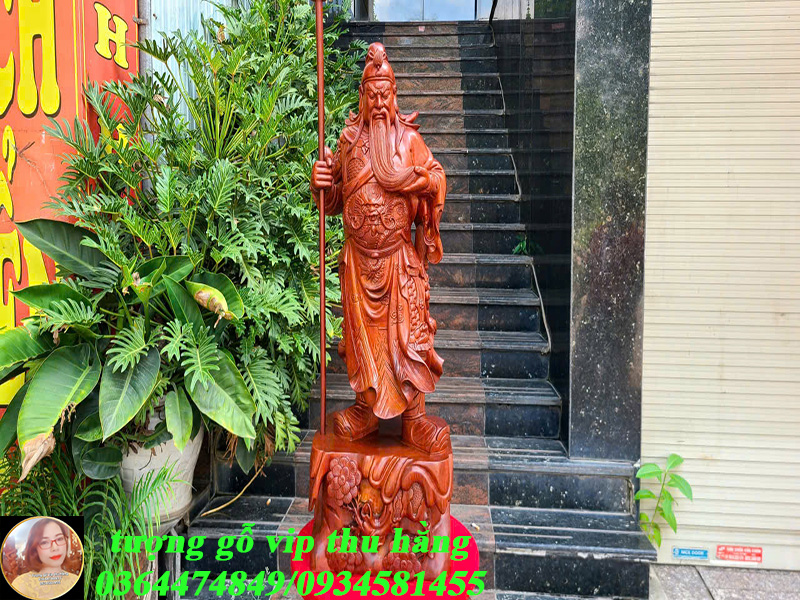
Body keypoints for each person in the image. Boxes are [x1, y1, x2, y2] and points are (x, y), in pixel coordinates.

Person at [310, 42, 449, 455]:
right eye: (372, 94)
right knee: (361, 343)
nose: (379, 102)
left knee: (408, 341)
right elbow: (335, 200)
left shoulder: (409, 141)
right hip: (358, 263)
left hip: (397, 260)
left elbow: (438, 177)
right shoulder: (350, 140)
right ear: (362, 95)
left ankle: (414, 419)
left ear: (394, 94)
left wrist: (420, 181)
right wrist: (321, 184)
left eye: (385, 93)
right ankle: (366, 410)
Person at [11, 519, 80, 600]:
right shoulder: (21, 584)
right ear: (34, 549)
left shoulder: (74, 580)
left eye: (59, 539)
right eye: (44, 542)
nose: (55, 548)